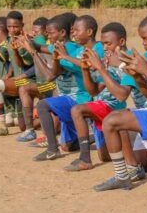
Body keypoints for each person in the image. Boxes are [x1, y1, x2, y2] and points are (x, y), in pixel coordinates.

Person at [93, 13, 147, 191]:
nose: (143, 42)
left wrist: (118, 67)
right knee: (116, 123)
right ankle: (125, 174)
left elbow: (123, 95)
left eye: (146, 38)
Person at [32, 14, 104, 161]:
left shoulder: (82, 48)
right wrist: (30, 44)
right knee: (67, 146)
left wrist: (35, 52)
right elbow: (44, 49)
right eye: (73, 30)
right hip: (76, 95)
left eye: (77, 30)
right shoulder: (76, 49)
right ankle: (84, 138)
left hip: (82, 96)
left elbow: (51, 75)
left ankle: (52, 148)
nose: (74, 33)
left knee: (39, 103)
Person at [66, 21, 135, 170]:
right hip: (103, 104)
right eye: (103, 44)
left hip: (114, 107)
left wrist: (102, 68)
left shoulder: (129, 58)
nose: (104, 48)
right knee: (104, 156)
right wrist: (85, 69)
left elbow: (122, 95)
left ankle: (85, 159)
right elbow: (94, 91)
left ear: (121, 42)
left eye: (108, 44)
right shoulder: (110, 60)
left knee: (77, 110)